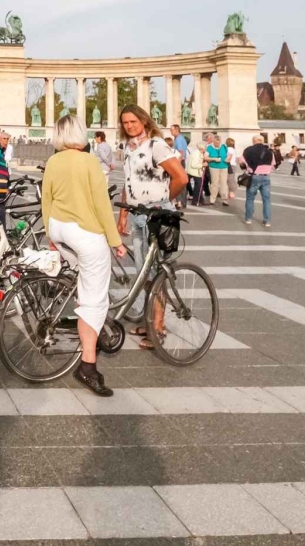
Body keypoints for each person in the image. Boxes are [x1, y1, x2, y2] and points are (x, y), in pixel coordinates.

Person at [40, 115, 125, 398]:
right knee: (94, 300)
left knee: (85, 279)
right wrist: (115, 240)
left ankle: (80, 308)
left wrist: (51, 236)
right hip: (84, 233)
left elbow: (46, 200)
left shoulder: (54, 161)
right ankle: (88, 366)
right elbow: (101, 204)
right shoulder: (89, 161)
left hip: (58, 228)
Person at [116, 105, 188, 349]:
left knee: (156, 273)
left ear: (144, 121)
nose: (129, 126)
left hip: (156, 216)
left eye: (133, 121)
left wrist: (164, 201)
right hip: (138, 216)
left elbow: (181, 178)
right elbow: (129, 182)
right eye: (125, 122)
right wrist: (123, 214)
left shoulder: (156, 145)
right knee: (143, 274)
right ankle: (150, 322)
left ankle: (158, 326)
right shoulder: (129, 148)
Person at [240, 134, 276, 227]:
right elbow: (273, 165)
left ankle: (248, 219)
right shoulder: (269, 152)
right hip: (266, 177)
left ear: (254, 141)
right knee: (266, 200)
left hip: (254, 177)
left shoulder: (247, 150)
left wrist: (247, 168)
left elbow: (242, 163)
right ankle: (267, 221)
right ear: (262, 141)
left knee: (250, 198)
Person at [205, 135, 231, 207]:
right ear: (213, 141)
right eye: (216, 143)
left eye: (219, 143)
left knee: (224, 183)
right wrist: (214, 159)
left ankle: (224, 199)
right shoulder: (209, 147)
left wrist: (228, 159)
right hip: (214, 167)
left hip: (224, 167)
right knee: (214, 183)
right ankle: (212, 199)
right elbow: (205, 157)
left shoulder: (224, 146)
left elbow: (229, 155)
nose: (217, 144)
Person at [185, 131, 207, 207]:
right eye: (205, 147)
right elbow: (194, 165)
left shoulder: (199, 153)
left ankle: (200, 200)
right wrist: (202, 165)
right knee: (198, 187)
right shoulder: (196, 154)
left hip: (195, 172)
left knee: (199, 187)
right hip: (195, 172)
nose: (206, 148)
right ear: (202, 148)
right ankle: (195, 201)